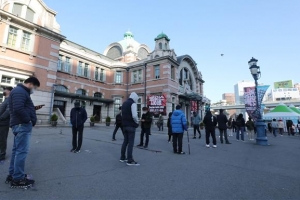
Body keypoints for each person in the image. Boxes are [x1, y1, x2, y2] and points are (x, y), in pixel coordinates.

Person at [6, 77, 40, 188]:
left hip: (20, 125)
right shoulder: (20, 91)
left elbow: (22, 107)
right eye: (34, 87)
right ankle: (18, 178)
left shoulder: (20, 91)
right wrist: (28, 120)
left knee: (17, 151)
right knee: (21, 152)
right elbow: (18, 108)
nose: (34, 89)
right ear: (30, 84)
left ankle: (14, 174)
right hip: (22, 125)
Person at [120, 92, 140, 166]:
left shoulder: (124, 103)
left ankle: (122, 157)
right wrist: (137, 121)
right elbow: (134, 115)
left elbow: (122, 114)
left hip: (124, 125)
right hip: (131, 126)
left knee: (125, 141)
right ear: (135, 98)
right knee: (131, 143)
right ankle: (130, 159)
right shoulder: (133, 104)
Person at [0, 87, 13, 162]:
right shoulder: (6, 100)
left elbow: (8, 112)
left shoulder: (10, 100)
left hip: (4, 123)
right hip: (1, 122)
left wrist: (0, 118)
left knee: (2, 139)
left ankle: (2, 154)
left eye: (6, 90)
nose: (4, 91)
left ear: (10, 91)